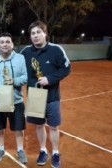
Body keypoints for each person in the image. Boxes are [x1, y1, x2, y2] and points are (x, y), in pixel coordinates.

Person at [21, 21, 71, 168]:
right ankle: (43, 150)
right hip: (35, 97)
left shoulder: (56, 50)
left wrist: (50, 79)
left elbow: (66, 68)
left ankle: (55, 152)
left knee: (54, 127)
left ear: (45, 34)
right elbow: (13, 62)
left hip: (52, 97)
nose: (35, 36)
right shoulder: (25, 52)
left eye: (38, 32)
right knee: (39, 126)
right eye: (32, 33)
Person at [0, 32, 28, 164]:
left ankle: (20, 150)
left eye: (8, 42)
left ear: (12, 44)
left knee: (18, 128)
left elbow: (25, 77)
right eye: (2, 42)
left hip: (16, 100)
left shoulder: (20, 58)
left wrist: (14, 80)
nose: (5, 44)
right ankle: (1, 148)